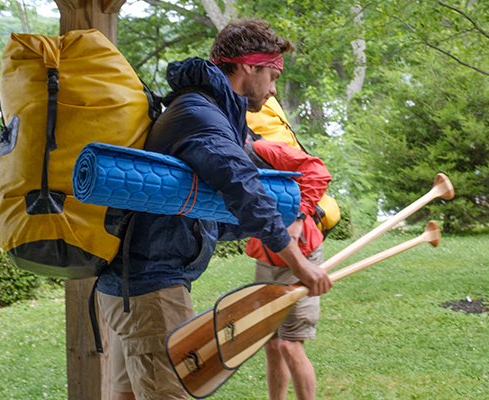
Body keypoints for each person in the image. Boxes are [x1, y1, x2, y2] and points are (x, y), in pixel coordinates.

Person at [95, 19, 333, 400]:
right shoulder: (202, 117)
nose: (272, 92)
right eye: (272, 77)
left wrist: (274, 220)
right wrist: (299, 263)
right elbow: (243, 188)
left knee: (127, 394)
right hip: (150, 285)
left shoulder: (200, 109)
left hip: (129, 283)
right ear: (248, 67)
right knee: (168, 392)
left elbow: (203, 211)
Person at [243, 123, 331, 400]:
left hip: (302, 254)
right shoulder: (221, 157)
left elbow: (318, 171)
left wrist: (298, 217)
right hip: (267, 257)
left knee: (290, 346)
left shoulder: (262, 149)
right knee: (271, 343)